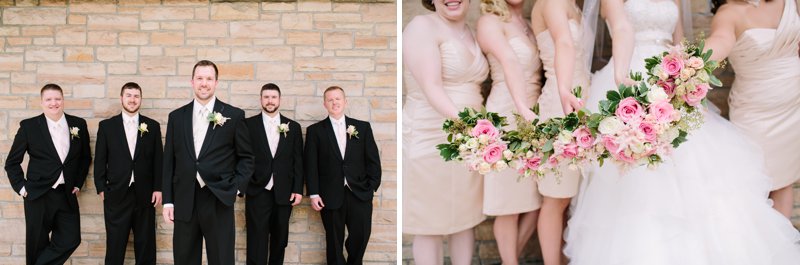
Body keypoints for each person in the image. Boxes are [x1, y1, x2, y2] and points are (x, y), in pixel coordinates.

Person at [564, 0, 800, 264]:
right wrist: (622, 76)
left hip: (671, 77)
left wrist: (688, 76)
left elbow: (679, 43)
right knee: (636, 175)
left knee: (693, 168)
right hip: (631, 71)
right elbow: (621, 29)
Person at [402, 0, 489, 263]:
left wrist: (478, 133)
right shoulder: (422, 26)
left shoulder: (470, 32)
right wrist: (471, 127)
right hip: (431, 136)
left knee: (464, 218)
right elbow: (432, 88)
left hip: (469, 141)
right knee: (429, 223)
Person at [704, 0, 800, 218]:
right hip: (754, 109)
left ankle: (782, 249)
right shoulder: (729, 13)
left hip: (793, 106)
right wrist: (694, 64)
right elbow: (719, 40)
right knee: (753, 180)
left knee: (784, 178)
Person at [161, 60, 254, 265]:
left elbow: (247, 157)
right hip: (185, 198)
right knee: (184, 259)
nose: (204, 83)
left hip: (219, 198)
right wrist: (168, 200)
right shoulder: (176, 117)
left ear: (216, 82)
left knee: (221, 259)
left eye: (209, 79)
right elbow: (169, 161)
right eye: (200, 78)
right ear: (192, 82)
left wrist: (236, 188)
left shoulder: (234, 115)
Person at [476, 0, 543, 262]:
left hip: (535, 113)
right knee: (508, 204)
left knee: (536, 201)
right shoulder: (489, 22)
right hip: (507, 114)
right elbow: (510, 61)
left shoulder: (527, 23)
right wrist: (521, 108)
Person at [530, 0, 590, 264]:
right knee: (556, 196)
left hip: (583, 101)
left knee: (571, 196)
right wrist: (565, 90)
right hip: (561, 103)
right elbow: (564, 43)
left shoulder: (573, 5)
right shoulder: (551, 2)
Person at [5, 83, 91, 265]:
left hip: (66, 193)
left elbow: (85, 158)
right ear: (42, 102)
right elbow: (12, 162)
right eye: (49, 99)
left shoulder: (78, 125)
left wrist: (77, 183)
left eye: (57, 99)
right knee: (37, 244)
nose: (54, 103)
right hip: (37, 195)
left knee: (71, 239)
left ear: (63, 100)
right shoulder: (29, 127)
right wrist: (22, 188)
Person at [304, 86, 381, 264]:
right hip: (329, 194)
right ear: (325, 104)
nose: (334, 102)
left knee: (361, 235)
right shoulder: (315, 131)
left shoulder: (362, 127)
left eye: (338, 99)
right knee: (333, 240)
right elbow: (311, 165)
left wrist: (371, 187)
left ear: (345, 102)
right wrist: (314, 193)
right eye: (330, 100)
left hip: (359, 192)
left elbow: (373, 161)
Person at [94, 82, 162, 265]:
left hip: (145, 195)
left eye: (136, 96)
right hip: (116, 195)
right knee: (115, 247)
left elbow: (158, 160)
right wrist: (101, 188)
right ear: (121, 98)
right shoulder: (107, 127)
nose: (132, 100)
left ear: (141, 99)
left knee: (146, 245)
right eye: (129, 95)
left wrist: (158, 188)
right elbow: (100, 160)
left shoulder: (153, 126)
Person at [244, 83, 304, 265]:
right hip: (257, 190)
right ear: (261, 99)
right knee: (256, 239)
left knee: (280, 239)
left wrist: (298, 189)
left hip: (284, 193)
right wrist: (243, 186)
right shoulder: (248, 125)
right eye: (266, 97)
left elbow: (298, 161)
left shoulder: (293, 127)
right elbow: (242, 157)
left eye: (273, 97)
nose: (270, 101)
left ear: (280, 100)